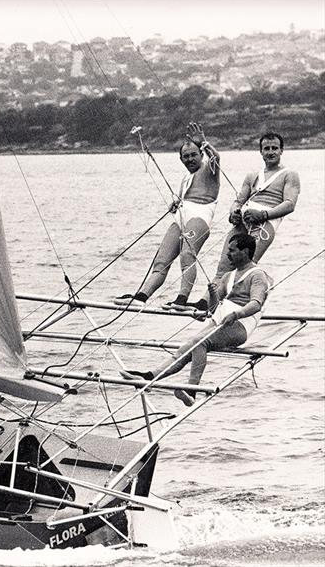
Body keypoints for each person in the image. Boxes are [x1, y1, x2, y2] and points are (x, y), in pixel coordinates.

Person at [120, 234, 271, 407]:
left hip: (240, 325)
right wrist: (214, 295)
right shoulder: (228, 276)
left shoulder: (257, 275)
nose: (227, 255)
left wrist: (237, 314)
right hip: (221, 321)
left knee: (199, 343)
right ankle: (149, 377)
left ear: (244, 252)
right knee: (187, 347)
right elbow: (213, 309)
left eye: (232, 250)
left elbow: (256, 303)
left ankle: (192, 390)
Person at [114, 122, 220, 309]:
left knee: (187, 256)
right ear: (181, 159)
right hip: (181, 217)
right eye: (185, 157)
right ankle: (141, 297)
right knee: (161, 261)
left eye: (193, 155)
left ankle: (182, 299)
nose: (190, 159)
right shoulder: (185, 178)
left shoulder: (208, 169)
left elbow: (216, 158)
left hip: (199, 218)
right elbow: (185, 197)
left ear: (201, 155)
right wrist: (176, 202)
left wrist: (203, 142)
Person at [193, 132, 300, 311]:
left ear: (282, 150)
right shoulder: (252, 175)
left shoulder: (289, 174)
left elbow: (290, 204)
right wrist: (233, 213)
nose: (271, 152)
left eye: (275, 148)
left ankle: (237, 306)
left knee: (245, 265)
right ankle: (206, 302)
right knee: (224, 265)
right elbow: (238, 201)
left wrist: (263, 215)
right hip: (243, 220)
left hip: (265, 223)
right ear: (261, 152)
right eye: (267, 148)